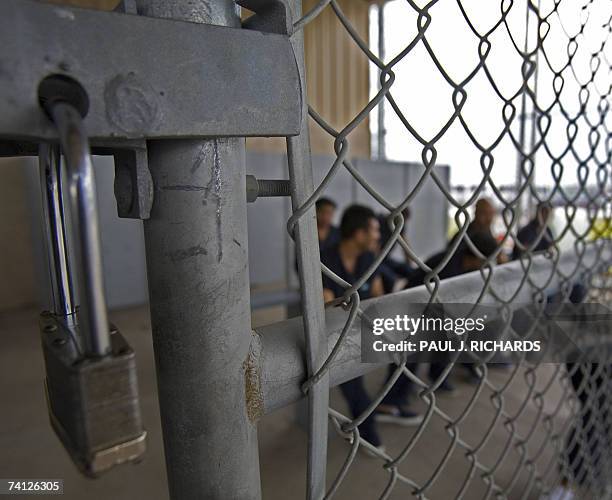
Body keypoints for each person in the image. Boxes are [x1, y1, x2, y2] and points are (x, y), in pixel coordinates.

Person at [320, 205, 422, 449]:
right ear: (359, 234)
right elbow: (328, 311)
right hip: (335, 334)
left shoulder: (367, 259)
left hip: (363, 324)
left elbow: (377, 298)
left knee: (415, 343)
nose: (379, 236)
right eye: (375, 231)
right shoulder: (326, 260)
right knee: (354, 386)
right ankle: (365, 430)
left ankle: (390, 401)